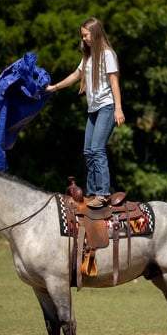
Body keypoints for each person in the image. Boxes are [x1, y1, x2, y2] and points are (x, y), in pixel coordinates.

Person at [45, 17, 125, 208]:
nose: (84, 39)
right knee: (88, 151)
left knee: (97, 149)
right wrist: (54, 87)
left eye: (86, 35)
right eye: (82, 36)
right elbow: (76, 75)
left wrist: (118, 108)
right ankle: (92, 192)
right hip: (93, 110)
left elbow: (114, 82)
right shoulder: (88, 56)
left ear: (95, 34)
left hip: (107, 107)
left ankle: (103, 193)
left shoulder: (107, 55)